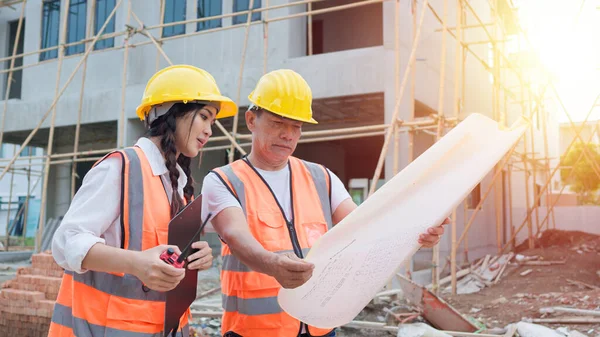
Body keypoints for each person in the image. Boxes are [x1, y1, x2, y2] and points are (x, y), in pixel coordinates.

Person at [202, 69, 449, 337]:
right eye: (277, 123)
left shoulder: (321, 178)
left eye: (296, 126)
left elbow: (365, 229)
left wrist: (417, 231)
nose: (288, 134)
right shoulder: (224, 180)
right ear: (251, 120)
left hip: (319, 328)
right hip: (254, 331)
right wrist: (271, 264)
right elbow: (236, 236)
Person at [48, 64, 238, 337]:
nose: (209, 130)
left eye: (213, 122)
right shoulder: (121, 168)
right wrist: (136, 264)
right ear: (173, 114)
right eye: (204, 117)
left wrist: (194, 257)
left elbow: (159, 250)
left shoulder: (180, 185)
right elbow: (67, 243)